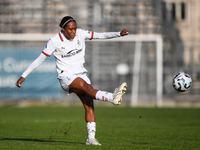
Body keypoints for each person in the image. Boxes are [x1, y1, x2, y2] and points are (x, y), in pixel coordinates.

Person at [16, 16, 128, 146]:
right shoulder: (54, 41)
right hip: (66, 76)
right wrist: (24, 75)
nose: (74, 32)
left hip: (81, 73)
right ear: (63, 29)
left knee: (89, 105)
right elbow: (40, 59)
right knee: (87, 89)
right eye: (70, 29)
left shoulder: (80, 34)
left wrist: (118, 34)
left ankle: (91, 139)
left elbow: (100, 35)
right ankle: (111, 97)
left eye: (75, 28)